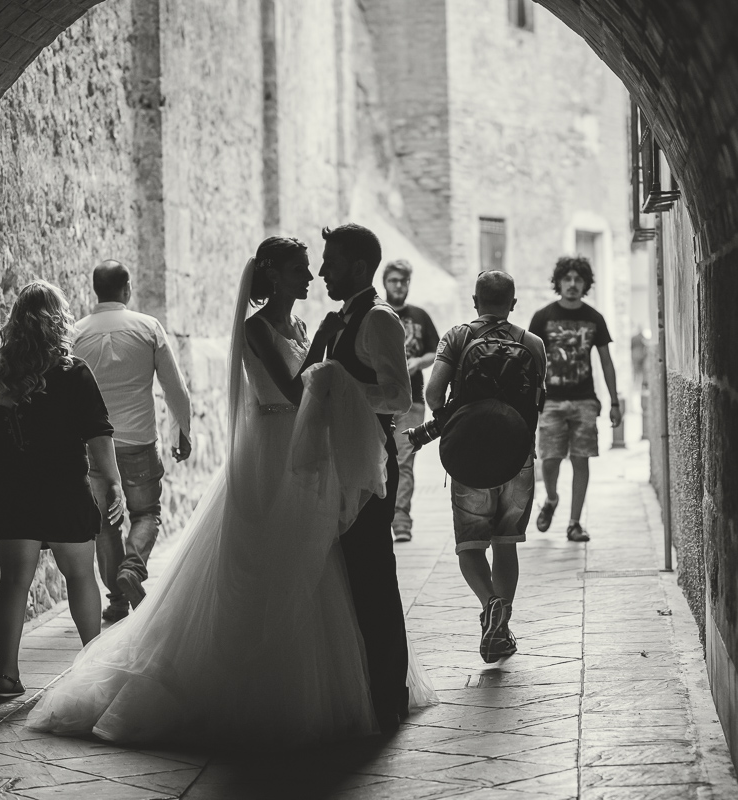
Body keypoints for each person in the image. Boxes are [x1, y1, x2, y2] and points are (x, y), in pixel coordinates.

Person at [27, 238, 435, 747]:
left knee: (316, 560)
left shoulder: (303, 325)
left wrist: (323, 351)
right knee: (267, 559)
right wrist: (324, 348)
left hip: (306, 449)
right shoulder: (256, 328)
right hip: (271, 451)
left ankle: (348, 681)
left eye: (314, 267)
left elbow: (320, 383)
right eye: (301, 269)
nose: (311, 277)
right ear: (275, 275)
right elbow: (295, 389)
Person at [0, 281, 124, 699]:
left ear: (16, 320)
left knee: (13, 581)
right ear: (58, 319)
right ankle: (91, 666)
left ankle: (7, 676)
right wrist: (113, 483)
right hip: (63, 489)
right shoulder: (74, 372)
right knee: (80, 576)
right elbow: (98, 432)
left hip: (11, 487)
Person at [298, 223, 413, 732]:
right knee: (352, 576)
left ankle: (389, 695)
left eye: (332, 261)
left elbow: (400, 397)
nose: (323, 271)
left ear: (360, 267)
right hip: (343, 461)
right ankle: (367, 687)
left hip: (371, 466)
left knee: (374, 576)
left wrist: (340, 392)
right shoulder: (342, 319)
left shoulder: (379, 319)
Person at [426, 271, 546, 662]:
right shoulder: (533, 343)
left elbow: (432, 394)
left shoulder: (457, 337)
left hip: (470, 453)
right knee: (505, 544)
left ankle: (490, 604)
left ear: (475, 301)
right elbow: (537, 401)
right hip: (517, 455)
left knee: (471, 544)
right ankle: (501, 628)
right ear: (513, 303)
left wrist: (454, 414)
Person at [71, 260, 193, 622]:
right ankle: (133, 568)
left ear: (96, 290)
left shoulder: (75, 334)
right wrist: (181, 433)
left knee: (105, 524)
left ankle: (117, 600)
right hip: (139, 442)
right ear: (127, 289)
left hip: (95, 447)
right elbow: (175, 389)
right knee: (146, 514)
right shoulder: (148, 327)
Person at [528, 255, 622, 542]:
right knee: (550, 459)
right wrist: (529, 401)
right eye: (566, 279)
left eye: (577, 279)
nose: (572, 284)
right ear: (558, 282)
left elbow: (606, 362)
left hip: (584, 401)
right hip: (551, 401)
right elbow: (530, 362)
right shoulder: (543, 317)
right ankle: (552, 499)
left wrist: (614, 402)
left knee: (581, 460)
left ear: (585, 284)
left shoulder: (594, 318)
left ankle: (574, 523)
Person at [382, 259, 439, 543]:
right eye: (393, 280)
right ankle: (380, 518)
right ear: (385, 283)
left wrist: (418, 362)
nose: (399, 286)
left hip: (412, 400)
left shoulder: (420, 316)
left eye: (403, 281)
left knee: (404, 461)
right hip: (379, 400)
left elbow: (436, 351)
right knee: (379, 460)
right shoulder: (377, 314)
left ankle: (401, 521)